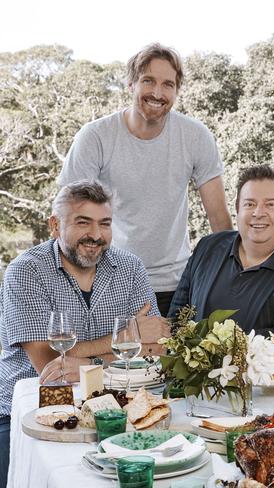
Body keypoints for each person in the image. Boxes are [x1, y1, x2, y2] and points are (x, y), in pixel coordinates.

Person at [0, 181, 170, 488]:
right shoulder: (25, 272)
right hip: (25, 412)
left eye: (104, 224)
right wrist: (125, 338)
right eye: (83, 222)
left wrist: (90, 363)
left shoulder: (130, 268)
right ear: (54, 225)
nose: (96, 235)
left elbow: (157, 350)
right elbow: (53, 366)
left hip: (114, 409)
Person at [58, 43, 233, 316]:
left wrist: (226, 282)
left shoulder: (196, 136)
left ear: (176, 91)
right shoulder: (95, 137)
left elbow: (220, 222)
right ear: (131, 84)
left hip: (176, 284)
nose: (157, 93)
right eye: (148, 81)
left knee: (173, 357)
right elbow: (66, 215)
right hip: (109, 280)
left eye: (168, 84)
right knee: (110, 359)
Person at [168, 165, 274, 345]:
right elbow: (177, 317)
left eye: (270, 204)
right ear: (237, 209)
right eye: (250, 204)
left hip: (272, 371)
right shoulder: (207, 248)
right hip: (194, 371)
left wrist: (226, 346)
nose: (258, 213)